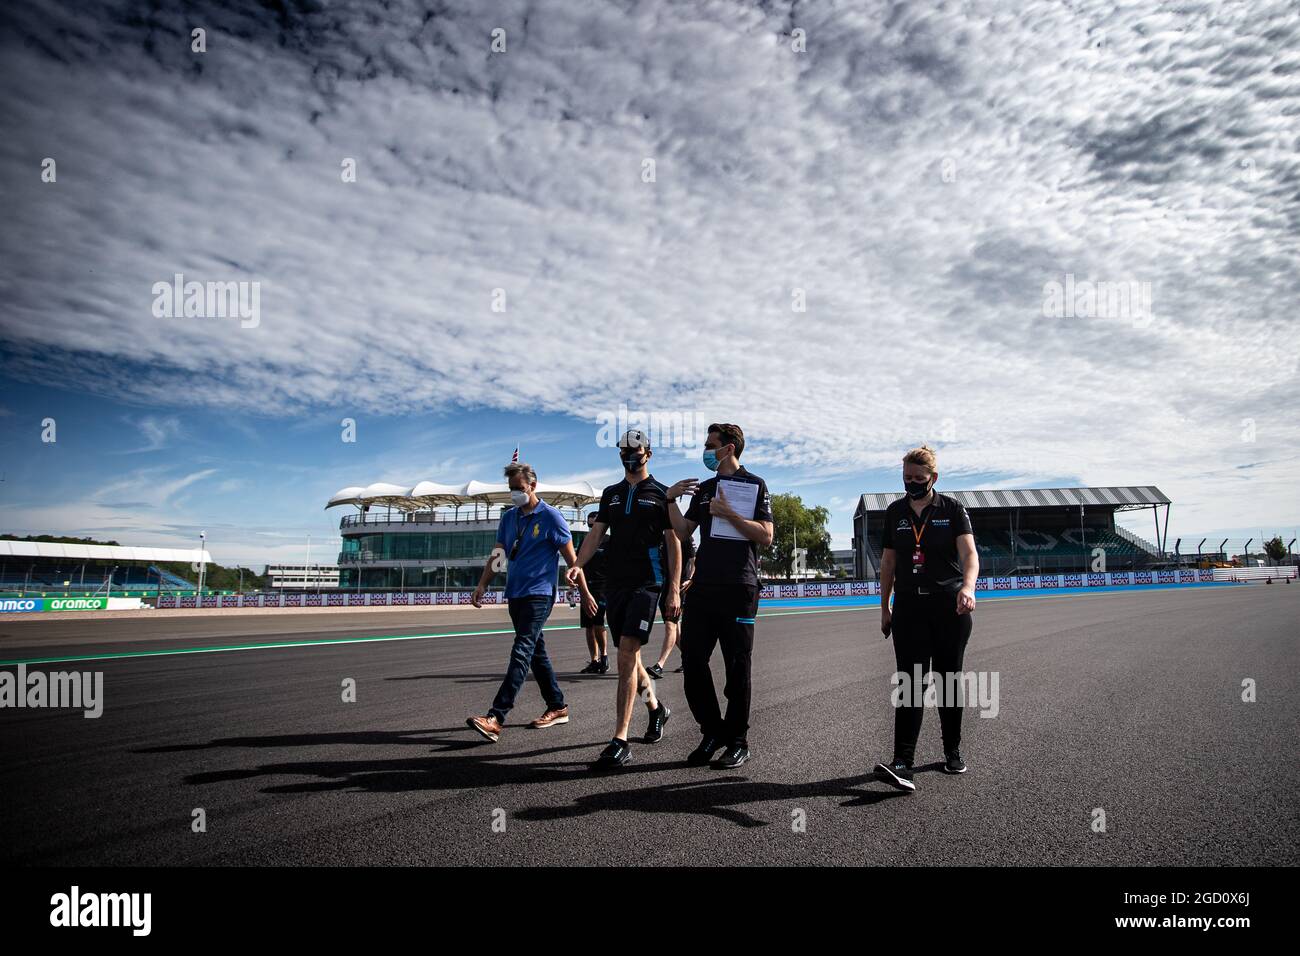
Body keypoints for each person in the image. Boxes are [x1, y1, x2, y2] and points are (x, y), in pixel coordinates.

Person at [569, 429, 681, 768]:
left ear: (648, 452)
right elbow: (597, 533)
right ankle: (657, 709)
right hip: (615, 584)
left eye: (635, 449)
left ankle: (620, 739)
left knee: (627, 654)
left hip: (647, 584)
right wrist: (577, 565)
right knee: (628, 658)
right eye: (624, 449)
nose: (629, 454)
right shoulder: (611, 494)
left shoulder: (662, 493)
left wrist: (674, 587)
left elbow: (674, 542)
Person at [666, 422, 773, 769]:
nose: (706, 451)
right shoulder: (706, 488)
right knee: (694, 663)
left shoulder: (755, 485)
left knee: (737, 668)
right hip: (704, 588)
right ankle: (711, 731)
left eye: (711, 445)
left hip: (740, 588)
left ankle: (738, 741)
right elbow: (683, 530)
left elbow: (766, 536)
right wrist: (670, 500)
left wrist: (729, 514)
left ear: (729, 449)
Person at [466, 462, 597, 743]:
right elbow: (498, 556)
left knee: (522, 649)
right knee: (536, 652)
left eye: (519, 489)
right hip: (515, 593)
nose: (515, 494)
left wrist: (585, 594)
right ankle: (557, 706)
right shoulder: (509, 518)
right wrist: (482, 584)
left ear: (533, 486)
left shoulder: (551, 517)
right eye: (511, 489)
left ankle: (496, 717)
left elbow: (573, 559)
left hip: (540, 594)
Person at [873, 444, 979, 792]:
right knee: (910, 683)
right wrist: (885, 607)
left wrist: (968, 587)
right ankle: (903, 762)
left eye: (919, 478)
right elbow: (888, 562)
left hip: (950, 607)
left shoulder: (952, 509)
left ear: (933, 477)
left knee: (948, 680)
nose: (912, 483)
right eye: (907, 478)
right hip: (908, 609)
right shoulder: (895, 512)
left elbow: (970, 555)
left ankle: (952, 750)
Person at [646, 532, 694, 679]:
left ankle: (660, 665)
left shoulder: (685, 537)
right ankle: (691, 660)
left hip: (680, 587)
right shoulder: (660, 538)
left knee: (670, 625)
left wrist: (690, 579)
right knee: (675, 629)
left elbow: (693, 561)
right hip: (665, 587)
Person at [578, 512, 610, 674]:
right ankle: (594, 660)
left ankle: (604, 657)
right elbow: (578, 564)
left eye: (594, 524)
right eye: (589, 525)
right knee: (588, 626)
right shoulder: (585, 540)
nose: (592, 528)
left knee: (598, 623)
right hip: (586, 587)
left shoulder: (610, 541)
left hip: (602, 587)